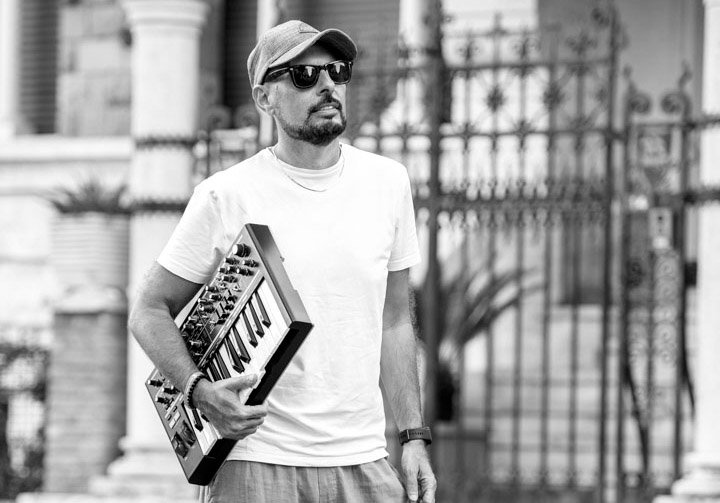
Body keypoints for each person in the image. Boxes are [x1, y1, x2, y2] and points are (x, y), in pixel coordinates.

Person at [129, 19, 437, 503]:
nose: (327, 85)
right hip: (256, 462)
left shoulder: (388, 183)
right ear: (264, 98)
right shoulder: (226, 194)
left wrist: (413, 437)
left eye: (336, 71)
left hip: (362, 460)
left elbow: (395, 320)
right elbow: (148, 310)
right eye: (304, 75)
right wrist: (199, 392)